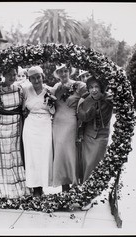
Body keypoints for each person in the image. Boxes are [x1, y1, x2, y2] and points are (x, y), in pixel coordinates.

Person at [0, 68, 29, 199]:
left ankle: (20, 185)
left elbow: (23, 107)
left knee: (16, 154)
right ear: (3, 74)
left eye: (14, 75)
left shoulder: (19, 89)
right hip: (3, 125)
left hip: (16, 126)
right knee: (4, 155)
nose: (12, 77)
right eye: (10, 74)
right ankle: (3, 185)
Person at [51, 64, 87, 192]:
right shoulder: (56, 87)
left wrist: (81, 105)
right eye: (60, 72)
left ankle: (75, 183)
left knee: (71, 152)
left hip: (71, 122)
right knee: (60, 153)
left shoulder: (78, 85)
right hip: (57, 123)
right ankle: (64, 186)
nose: (63, 74)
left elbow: (90, 96)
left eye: (65, 71)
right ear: (57, 73)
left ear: (69, 72)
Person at [22, 66, 55, 196]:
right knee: (32, 156)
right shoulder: (25, 90)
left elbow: (53, 110)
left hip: (45, 125)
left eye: (38, 77)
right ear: (29, 79)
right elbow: (23, 107)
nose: (36, 80)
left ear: (43, 77)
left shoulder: (50, 90)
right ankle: (35, 188)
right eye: (33, 78)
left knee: (44, 155)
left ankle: (44, 184)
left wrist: (51, 103)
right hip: (31, 125)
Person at [77, 76, 113, 183]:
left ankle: (91, 188)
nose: (94, 90)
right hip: (88, 137)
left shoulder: (108, 99)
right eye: (91, 87)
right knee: (87, 163)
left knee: (95, 163)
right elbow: (81, 118)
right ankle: (86, 187)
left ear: (101, 88)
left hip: (102, 135)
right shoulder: (85, 101)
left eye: (96, 87)